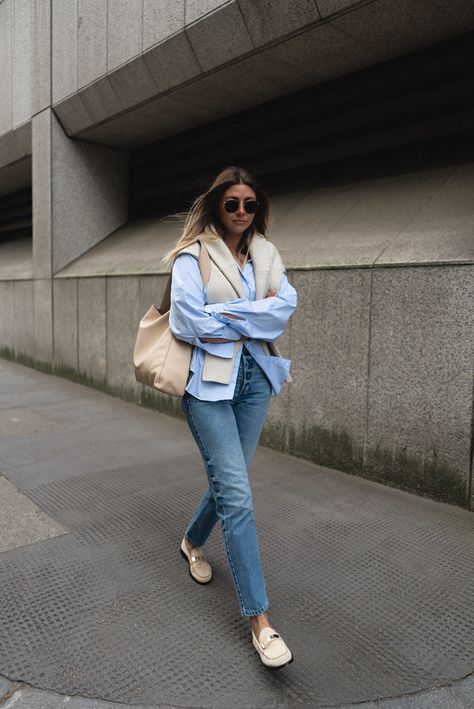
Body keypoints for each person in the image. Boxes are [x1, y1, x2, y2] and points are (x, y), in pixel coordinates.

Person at [164, 166, 297, 669]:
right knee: (237, 493)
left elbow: (285, 308)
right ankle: (260, 622)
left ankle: (191, 541)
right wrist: (249, 312)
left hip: (255, 382)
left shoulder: (266, 252)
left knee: (230, 482)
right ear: (217, 204)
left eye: (250, 204)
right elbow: (186, 319)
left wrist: (223, 317)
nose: (242, 212)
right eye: (232, 203)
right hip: (208, 387)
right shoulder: (192, 255)